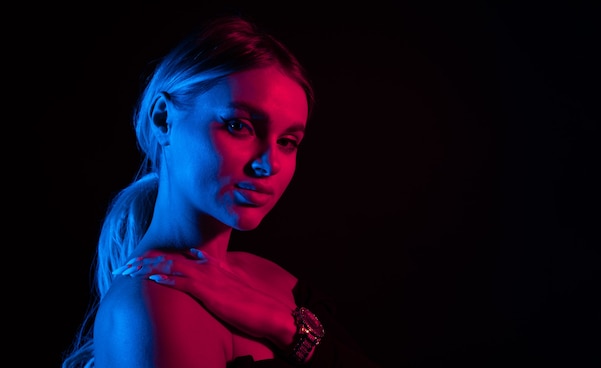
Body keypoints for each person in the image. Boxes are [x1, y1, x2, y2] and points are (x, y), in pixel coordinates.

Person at [61, 13, 381, 368]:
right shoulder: (153, 305)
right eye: (238, 125)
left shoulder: (273, 281)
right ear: (163, 119)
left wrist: (283, 326)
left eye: (288, 141)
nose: (268, 164)